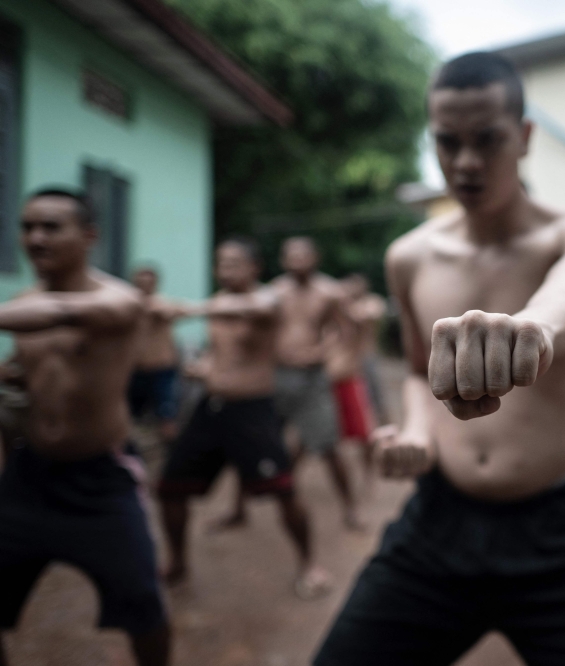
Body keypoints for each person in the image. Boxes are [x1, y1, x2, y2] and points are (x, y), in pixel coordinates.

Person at [312, 51, 565, 666]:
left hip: (561, 532)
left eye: (487, 140)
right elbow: (419, 370)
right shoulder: (409, 257)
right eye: (448, 142)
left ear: (523, 138)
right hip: (439, 526)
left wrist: (534, 331)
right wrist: (417, 432)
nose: (466, 163)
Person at [0, 189, 169, 666]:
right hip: (29, 477)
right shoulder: (20, 303)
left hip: (102, 479)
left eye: (51, 226)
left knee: (143, 605)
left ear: (89, 236)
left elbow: (62, 313)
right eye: (27, 226)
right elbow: (28, 368)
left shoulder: (119, 300)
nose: (35, 237)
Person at [157, 237, 332, 599]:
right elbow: (222, 352)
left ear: (255, 268)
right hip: (211, 407)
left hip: (253, 410)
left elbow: (257, 311)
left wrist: (191, 309)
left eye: (235, 263)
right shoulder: (219, 302)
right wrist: (203, 367)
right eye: (221, 263)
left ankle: (309, 563)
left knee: (284, 491)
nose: (226, 270)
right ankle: (177, 561)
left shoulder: (268, 300)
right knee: (169, 488)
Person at [215, 237, 363, 531]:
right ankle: (238, 509)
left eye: (303, 255)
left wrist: (325, 353)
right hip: (276, 376)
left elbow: (346, 329)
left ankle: (350, 509)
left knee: (329, 447)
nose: (297, 261)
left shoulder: (329, 292)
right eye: (291, 256)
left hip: (313, 379)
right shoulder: (274, 292)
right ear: (283, 261)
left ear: (315, 257)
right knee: (255, 441)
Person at [324, 273, 386, 486]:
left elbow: (367, 315)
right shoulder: (334, 318)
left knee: (372, 414)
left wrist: (340, 303)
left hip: (362, 365)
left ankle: (372, 469)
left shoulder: (369, 305)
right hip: (333, 375)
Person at [128, 266, 196, 442]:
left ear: (155, 283)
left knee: (167, 419)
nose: (144, 285)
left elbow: (177, 310)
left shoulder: (161, 303)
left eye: (148, 282)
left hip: (161, 370)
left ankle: (171, 455)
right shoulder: (128, 306)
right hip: (135, 370)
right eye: (140, 282)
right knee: (128, 417)